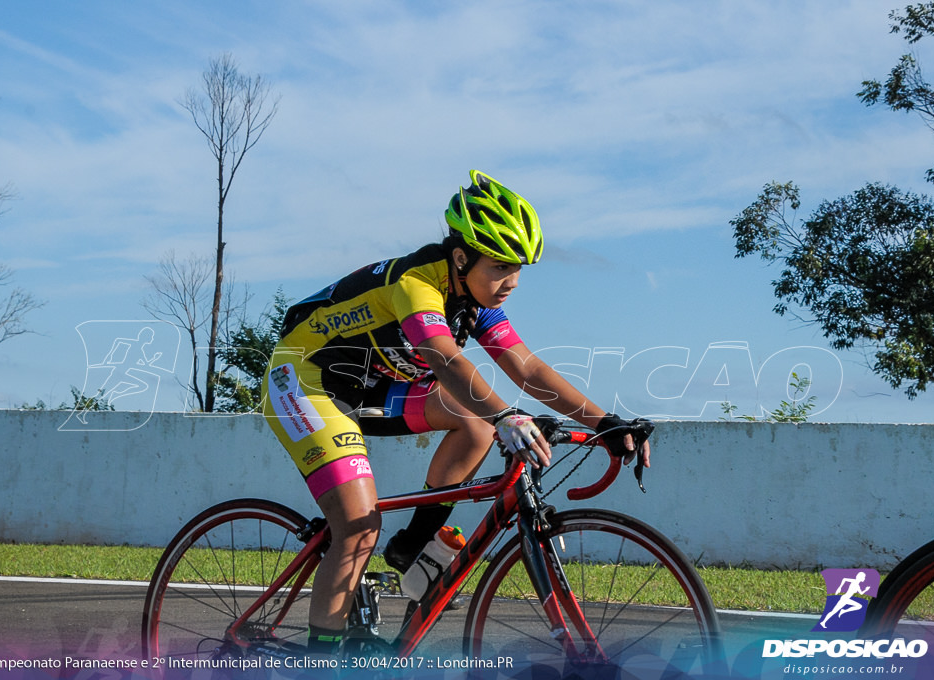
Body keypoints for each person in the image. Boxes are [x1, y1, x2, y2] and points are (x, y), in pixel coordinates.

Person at [261, 169, 651, 655]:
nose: (510, 282)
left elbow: (526, 368)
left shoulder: (474, 297)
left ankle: (412, 550)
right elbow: (447, 361)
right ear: (461, 257)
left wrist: (605, 423)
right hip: (306, 381)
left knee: (475, 423)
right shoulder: (416, 284)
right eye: (499, 267)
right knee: (358, 527)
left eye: (518, 269)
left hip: (371, 386)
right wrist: (507, 416)